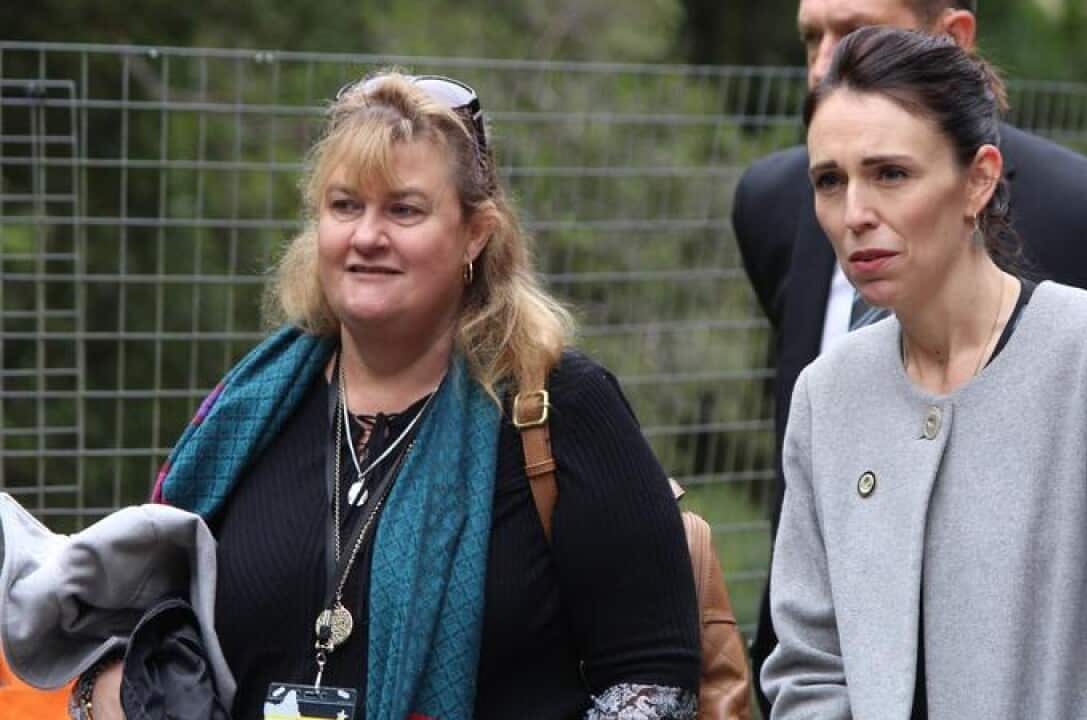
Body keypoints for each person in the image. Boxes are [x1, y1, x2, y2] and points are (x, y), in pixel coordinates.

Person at [77, 70, 701, 720]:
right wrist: (114, 685)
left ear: (475, 232)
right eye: (345, 205)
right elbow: (150, 628)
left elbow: (655, 677)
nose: (367, 236)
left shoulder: (560, 406)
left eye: (404, 210)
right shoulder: (252, 412)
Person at [732, 1, 1087, 716]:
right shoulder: (825, 395)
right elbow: (807, 668)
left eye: (891, 173)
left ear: (979, 180)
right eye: (830, 180)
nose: (855, 212)